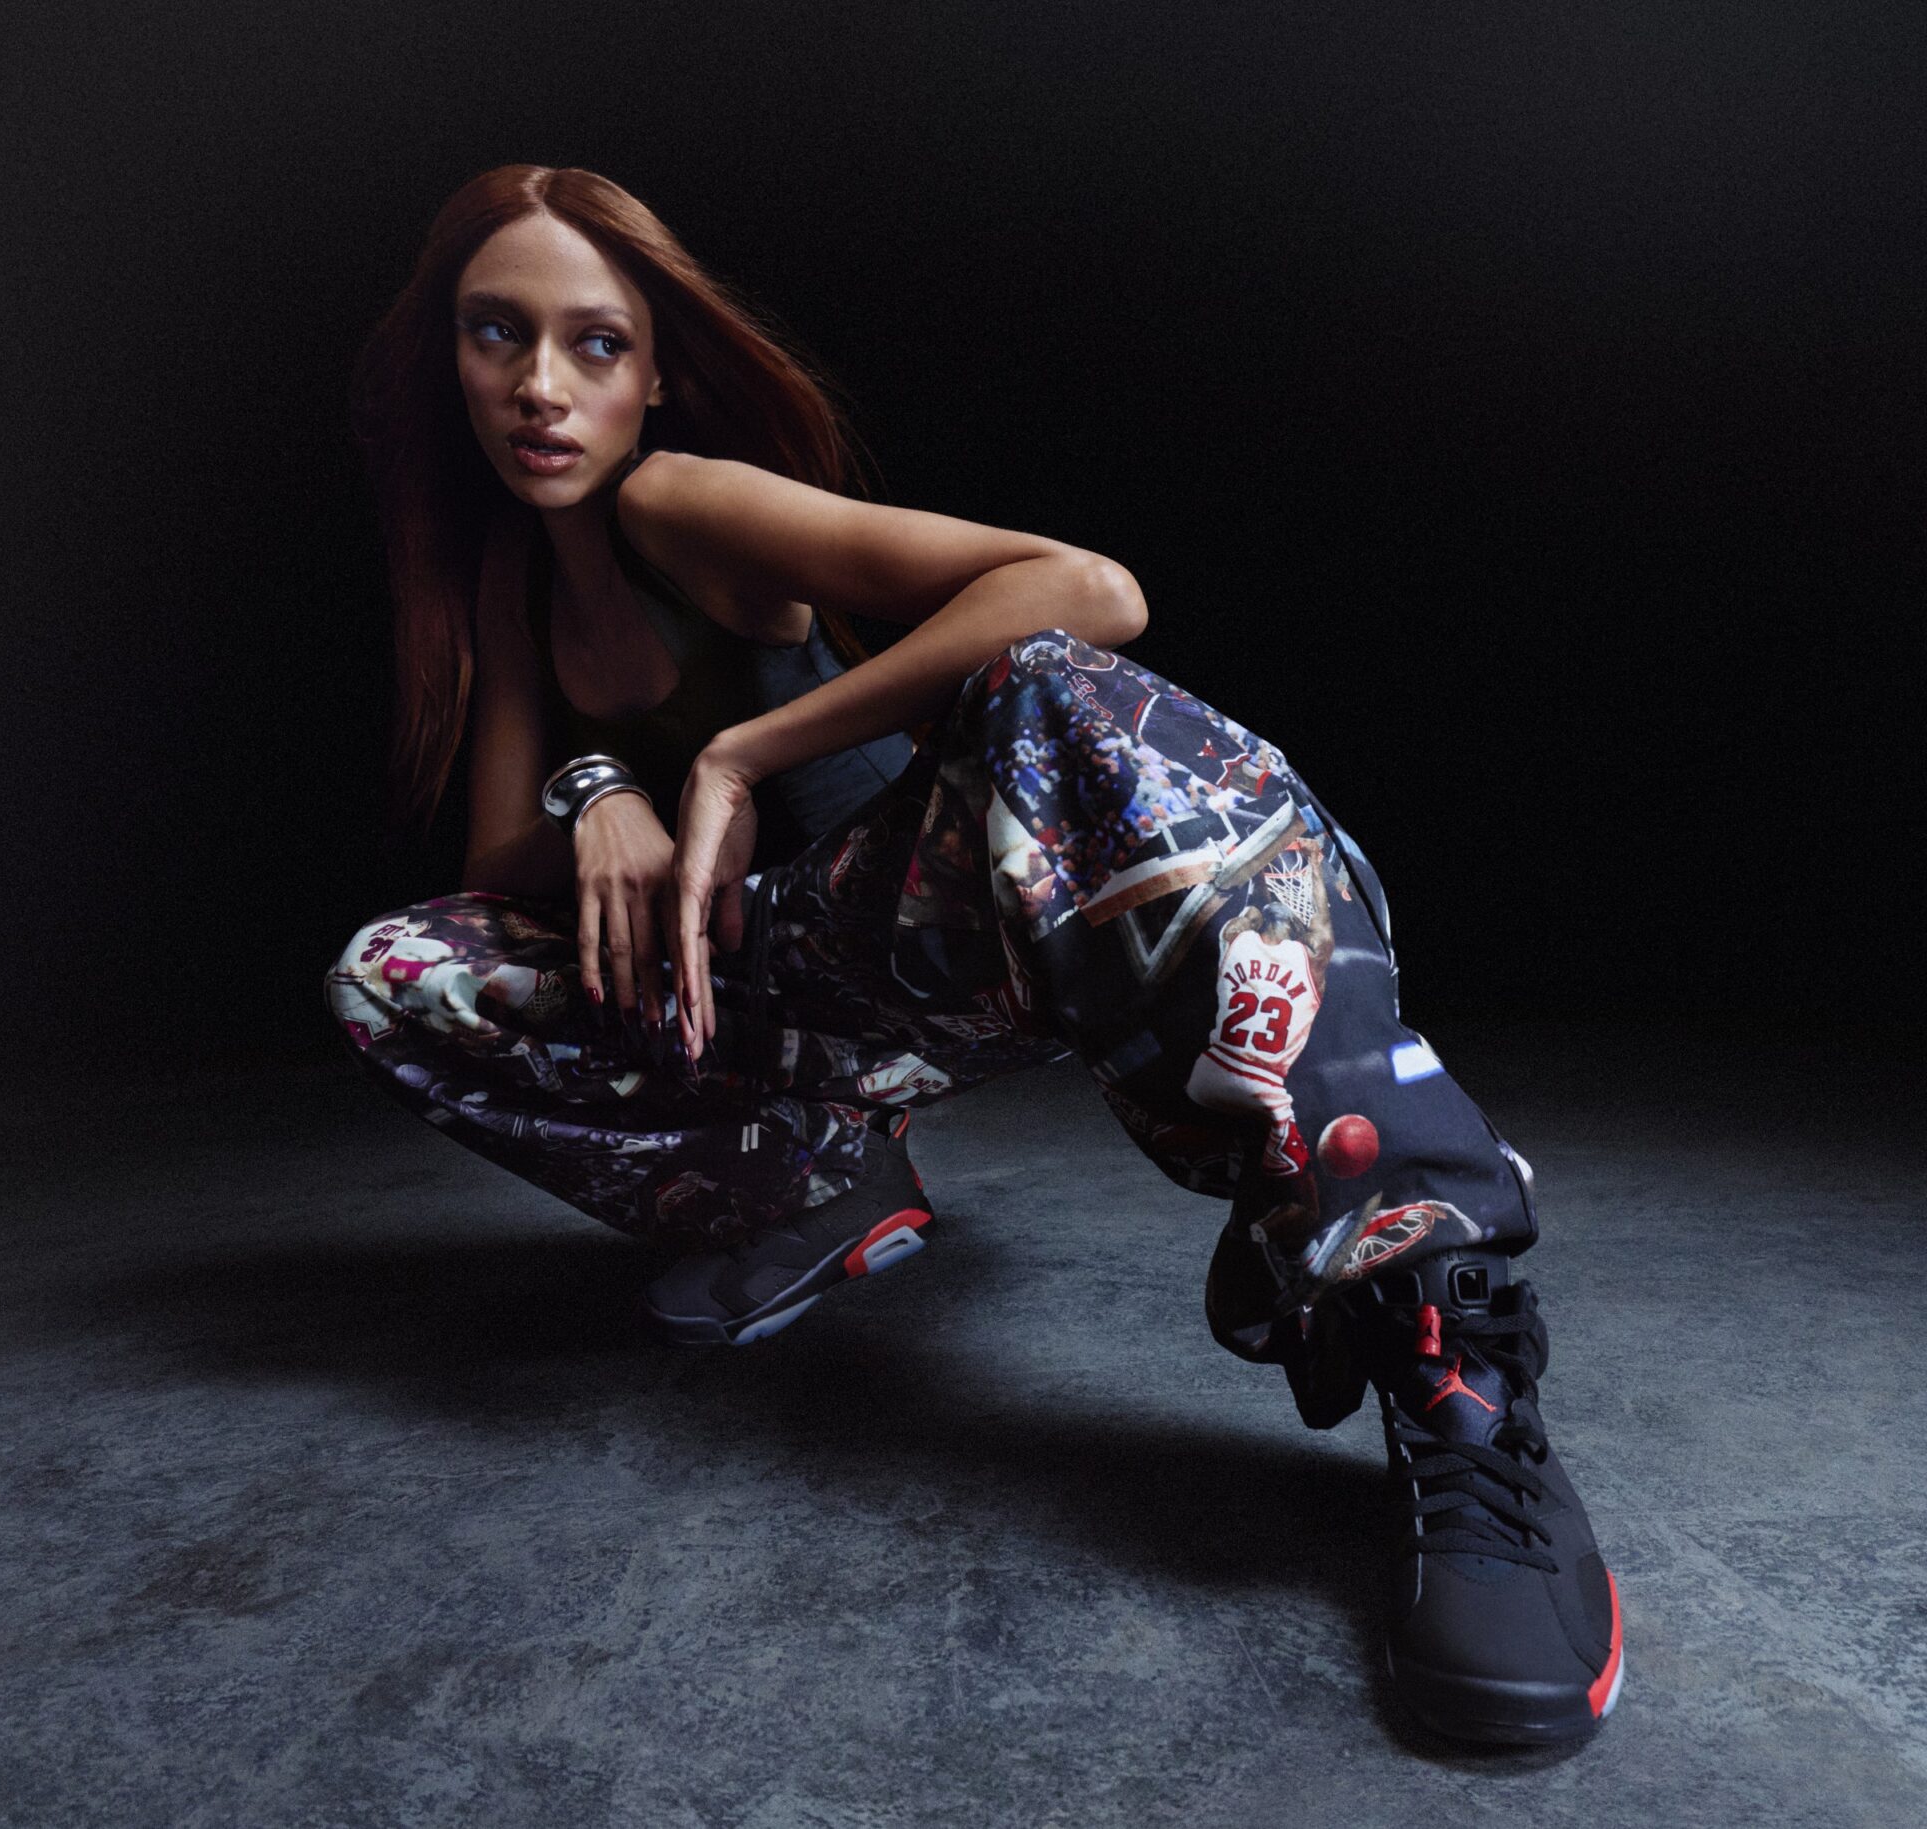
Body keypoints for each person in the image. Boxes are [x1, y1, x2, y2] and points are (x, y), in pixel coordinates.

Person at [326, 164, 1622, 1745]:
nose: (541, 384)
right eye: (497, 333)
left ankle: (1444, 1343)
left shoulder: (681, 500)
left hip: (988, 908)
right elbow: (496, 870)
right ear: (449, 353)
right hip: (796, 994)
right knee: (398, 970)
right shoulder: (510, 571)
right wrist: (599, 789)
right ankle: (818, 1178)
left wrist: (736, 756)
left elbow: (1086, 590)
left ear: (654, 375)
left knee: (1051, 690)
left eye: (593, 344)